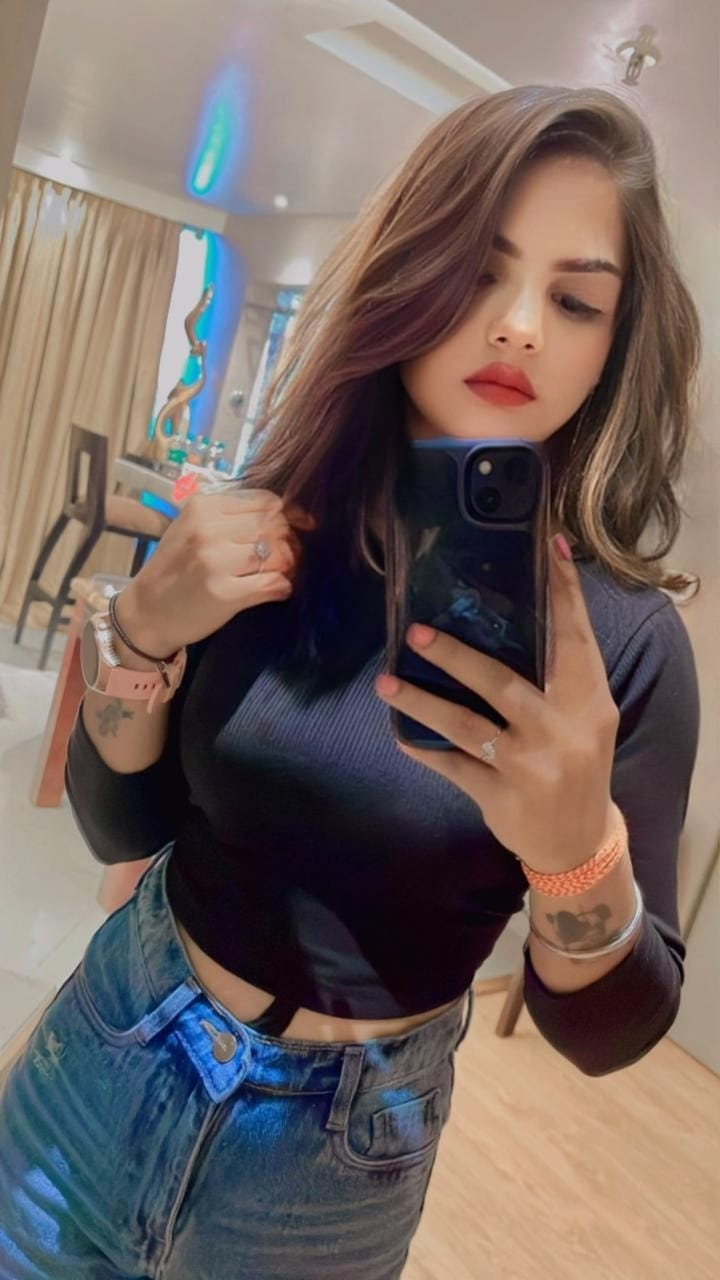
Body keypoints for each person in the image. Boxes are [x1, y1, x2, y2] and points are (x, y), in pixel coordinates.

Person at [0, 84, 701, 1279]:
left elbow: (605, 1030)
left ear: (614, 344)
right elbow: (121, 823)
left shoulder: (623, 646)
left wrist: (577, 849)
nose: (520, 326)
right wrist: (147, 626)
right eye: (479, 270)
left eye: (575, 299)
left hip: (333, 1167)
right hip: (110, 1049)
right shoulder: (270, 529)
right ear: (409, 273)